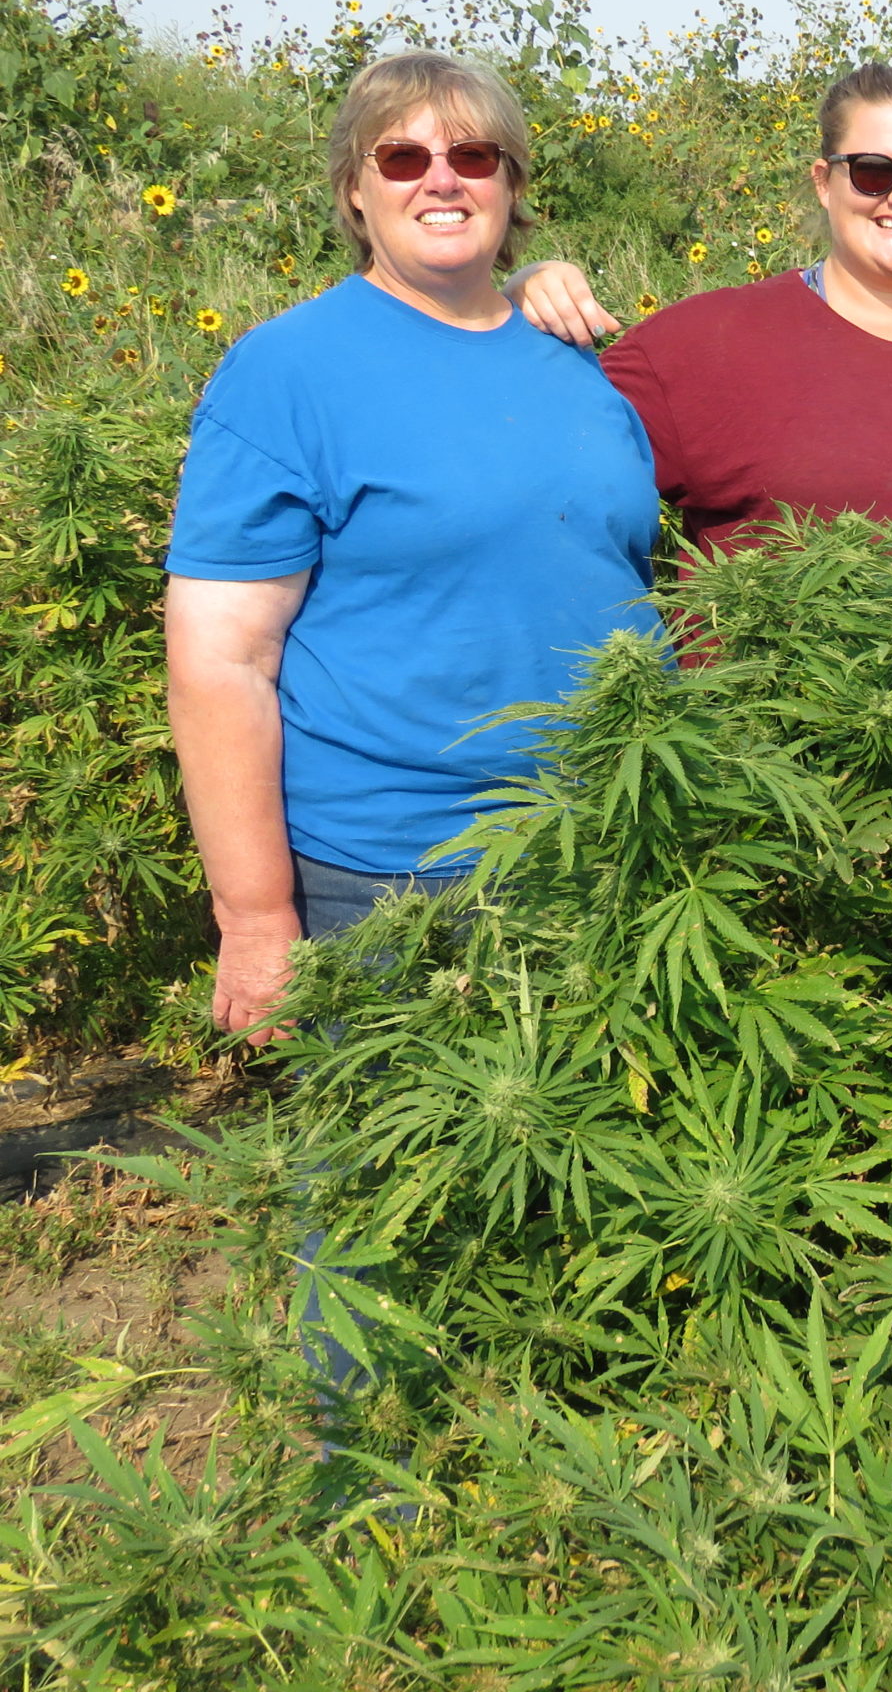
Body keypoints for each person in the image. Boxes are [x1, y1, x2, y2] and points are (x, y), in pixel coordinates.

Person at [165, 51, 659, 1043]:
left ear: (514, 185)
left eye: (475, 154)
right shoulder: (288, 371)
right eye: (401, 157)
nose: (442, 177)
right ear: (355, 188)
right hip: (398, 881)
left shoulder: (574, 356)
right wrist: (255, 918)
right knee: (385, 1192)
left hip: (606, 847)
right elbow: (223, 659)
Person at [506, 65, 892, 595]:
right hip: (782, 735)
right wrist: (513, 304)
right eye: (872, 171)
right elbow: (526, 462)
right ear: (823, 181)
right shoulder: (703, 346)